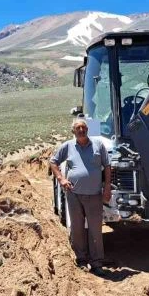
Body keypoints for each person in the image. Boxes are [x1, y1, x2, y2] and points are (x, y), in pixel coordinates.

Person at [49, 117, 112, 277]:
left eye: (84, 127)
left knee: (95, 229)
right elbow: (53, 162)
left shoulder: (98, 145)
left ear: (87, 129)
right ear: (73, 131)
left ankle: (97, 263)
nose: (81, 130)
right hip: (74, 195)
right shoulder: (68, 146)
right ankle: (81, 260)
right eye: (78, 128)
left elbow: (107, 165)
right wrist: (61, 179)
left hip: (95, 195)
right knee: (77, 229)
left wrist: (107, 188)